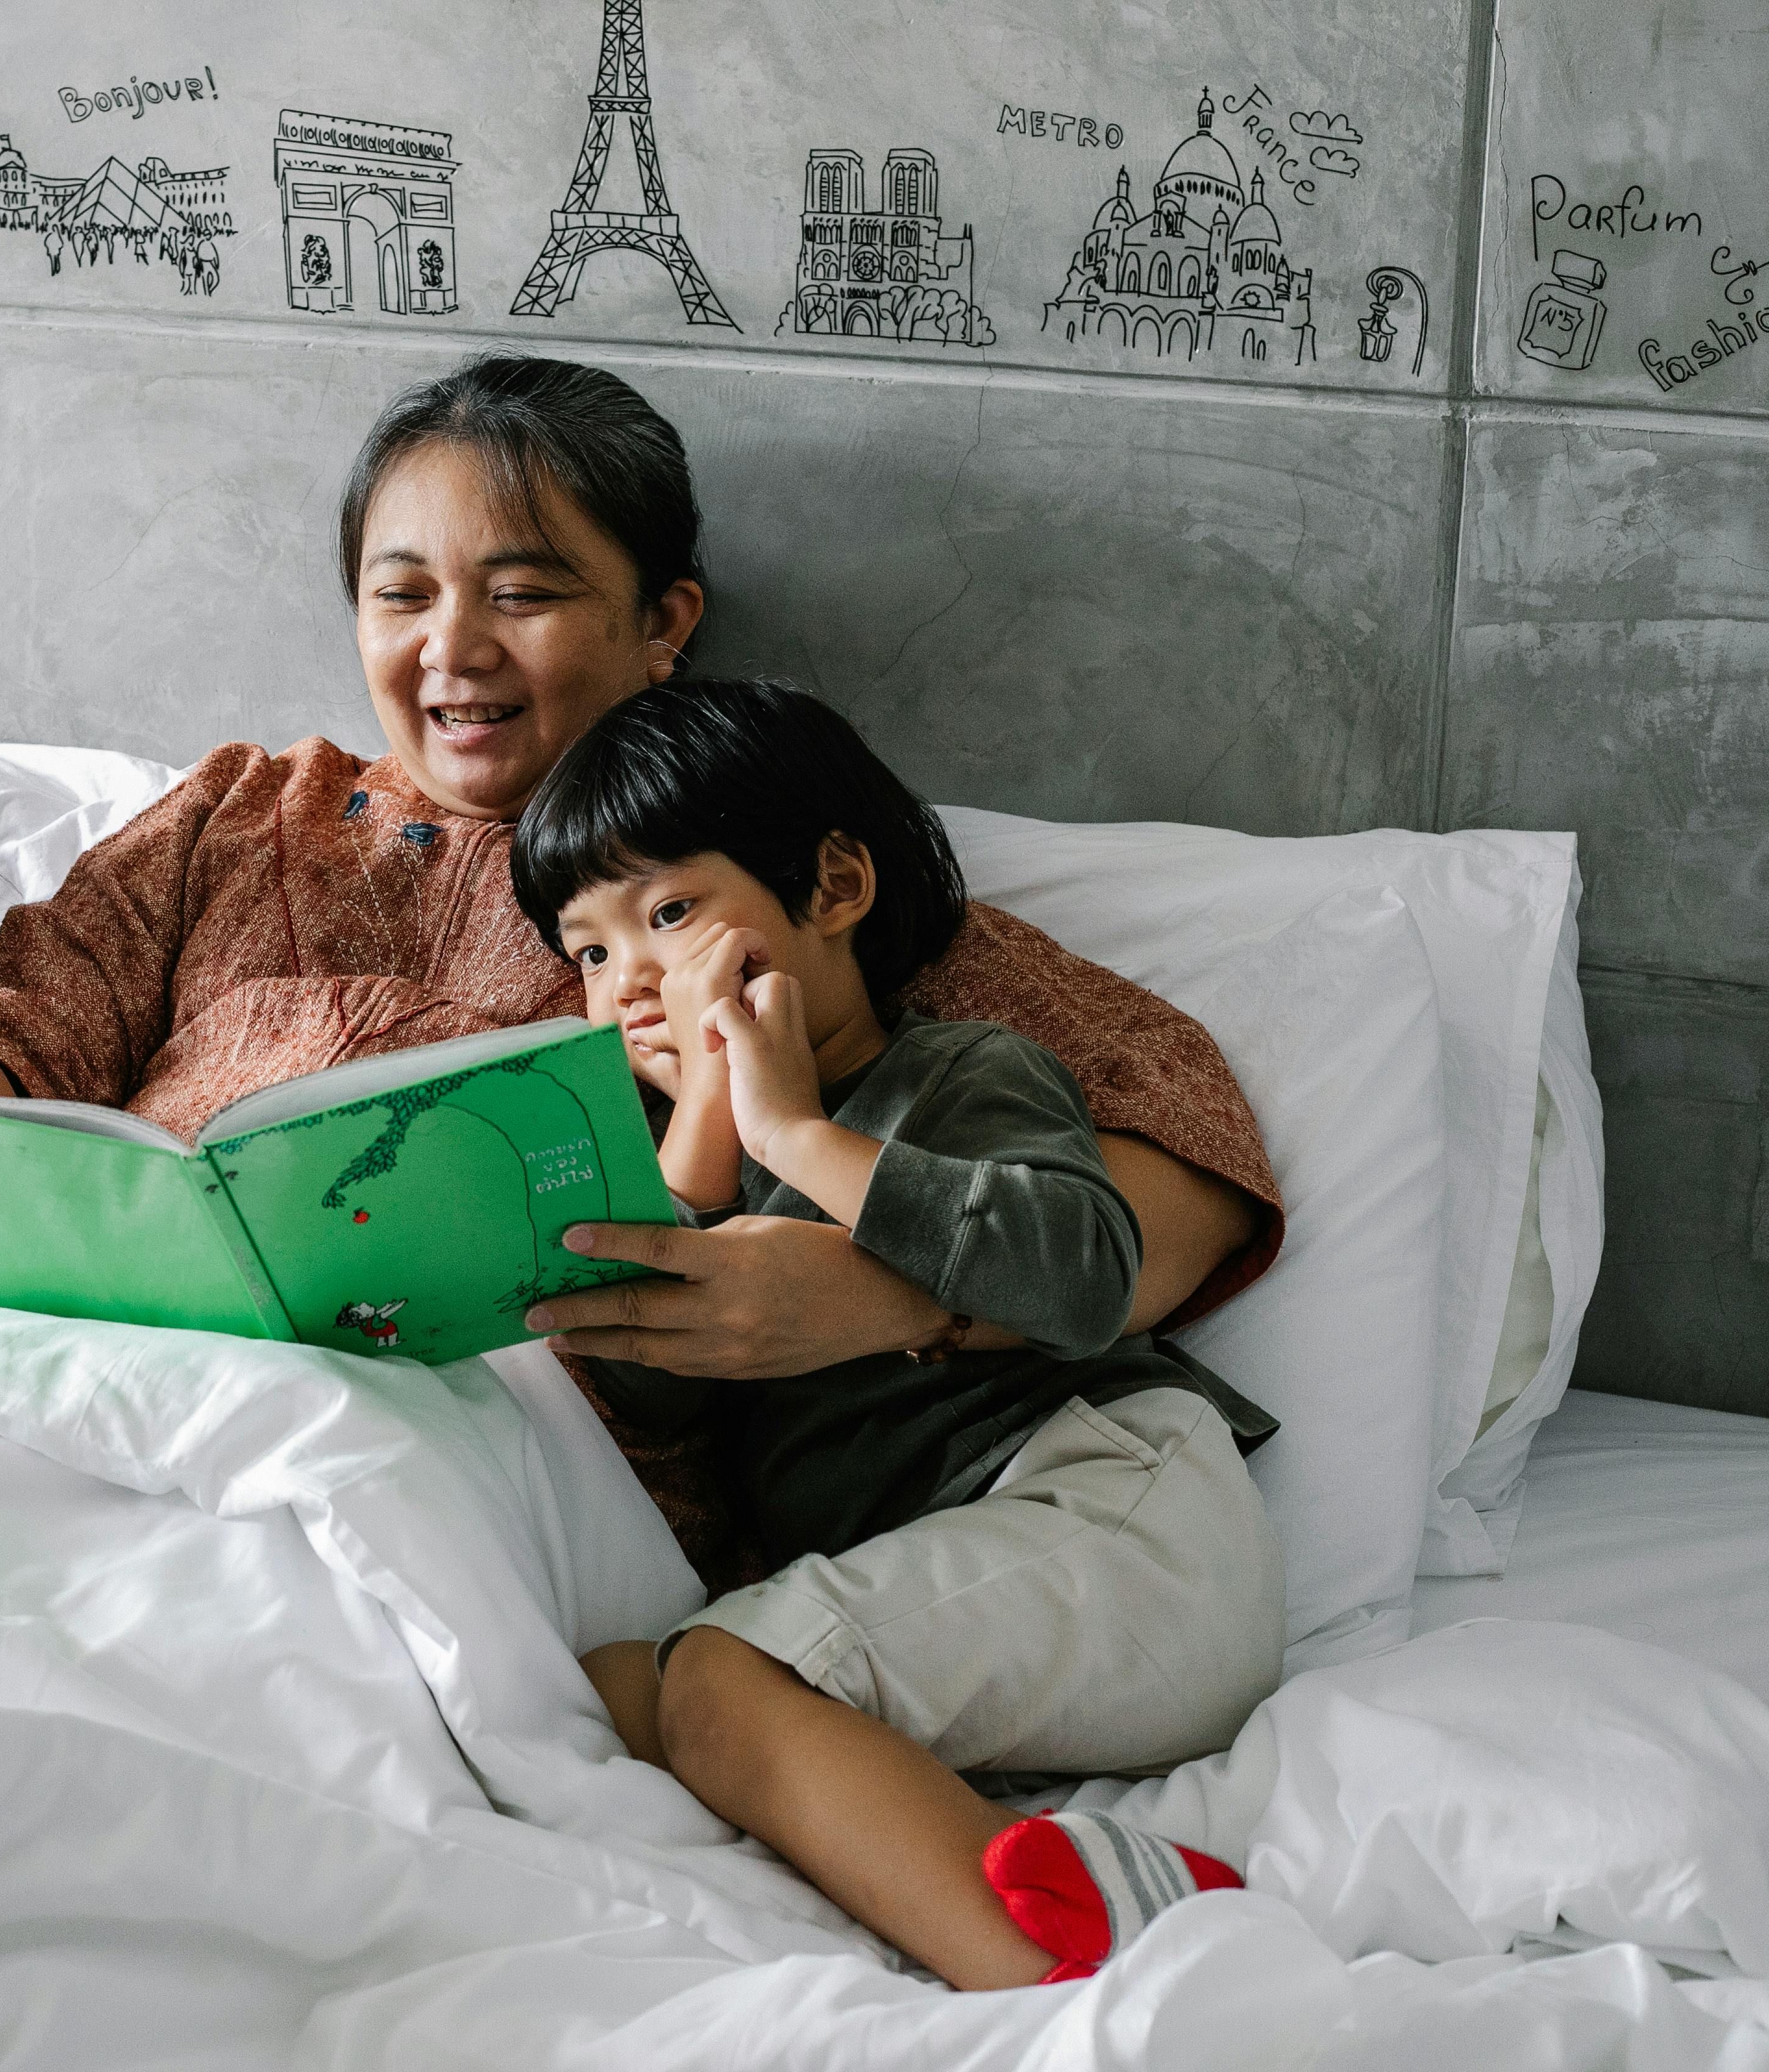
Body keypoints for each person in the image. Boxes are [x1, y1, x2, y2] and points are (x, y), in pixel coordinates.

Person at [0, 353, 1284, 1581]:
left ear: (664, 621)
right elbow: (20, 1082)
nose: (454, 650)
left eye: (528, 593)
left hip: (465, 1503)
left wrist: (886, 1299)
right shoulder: (235, 818)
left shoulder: (748, 882)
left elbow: (1186, 1145)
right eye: (403, 593)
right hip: (81, 1421)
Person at [512, 676, 1283, 1991]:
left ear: (835, 887)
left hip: (1121, 1516)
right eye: (589, 952)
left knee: (717, 1685)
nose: (628, 979)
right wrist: (705, 1134)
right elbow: (656, 1408)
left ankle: (1087, 1983)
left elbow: (1084, 1273)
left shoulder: (962, 1072)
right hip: (985, 1583)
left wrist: (799, 1139)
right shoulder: (675, 1161)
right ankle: (1063, 1873)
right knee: (613, 1691)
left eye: (671, 914)